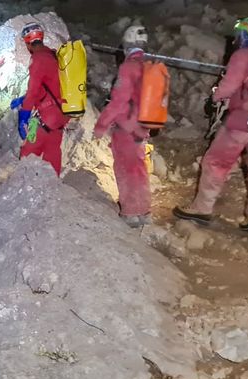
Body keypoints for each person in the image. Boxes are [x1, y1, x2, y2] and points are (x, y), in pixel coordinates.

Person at [173, 17, 248, 232]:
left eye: (240, 33)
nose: (237, 38)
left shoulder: (243, 55)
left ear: (245, 35)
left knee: (215, 162)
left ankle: (202, 208)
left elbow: (228, 86)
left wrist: (215, 97)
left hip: (243, 120)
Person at [93, 25, 152, 228]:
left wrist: (101, 126)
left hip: (126, 127)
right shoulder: (150, 65)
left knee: (125, 169)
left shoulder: (128, 67)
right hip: (143, 126)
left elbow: (117, 102)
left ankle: (129, 212)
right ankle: (144, 210)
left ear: (126, 44)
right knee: (139, 168)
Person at [11, 22, 69, 176]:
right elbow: (50, 85)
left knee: (28, 153)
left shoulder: (38, 58)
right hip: (61, 115)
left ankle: (24, 188)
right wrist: (23, 99)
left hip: (45, 117)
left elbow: (33, 90)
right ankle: (53, 188)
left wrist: (24, 115)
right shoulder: (52, 55)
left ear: (27, 42)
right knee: (52, 152)